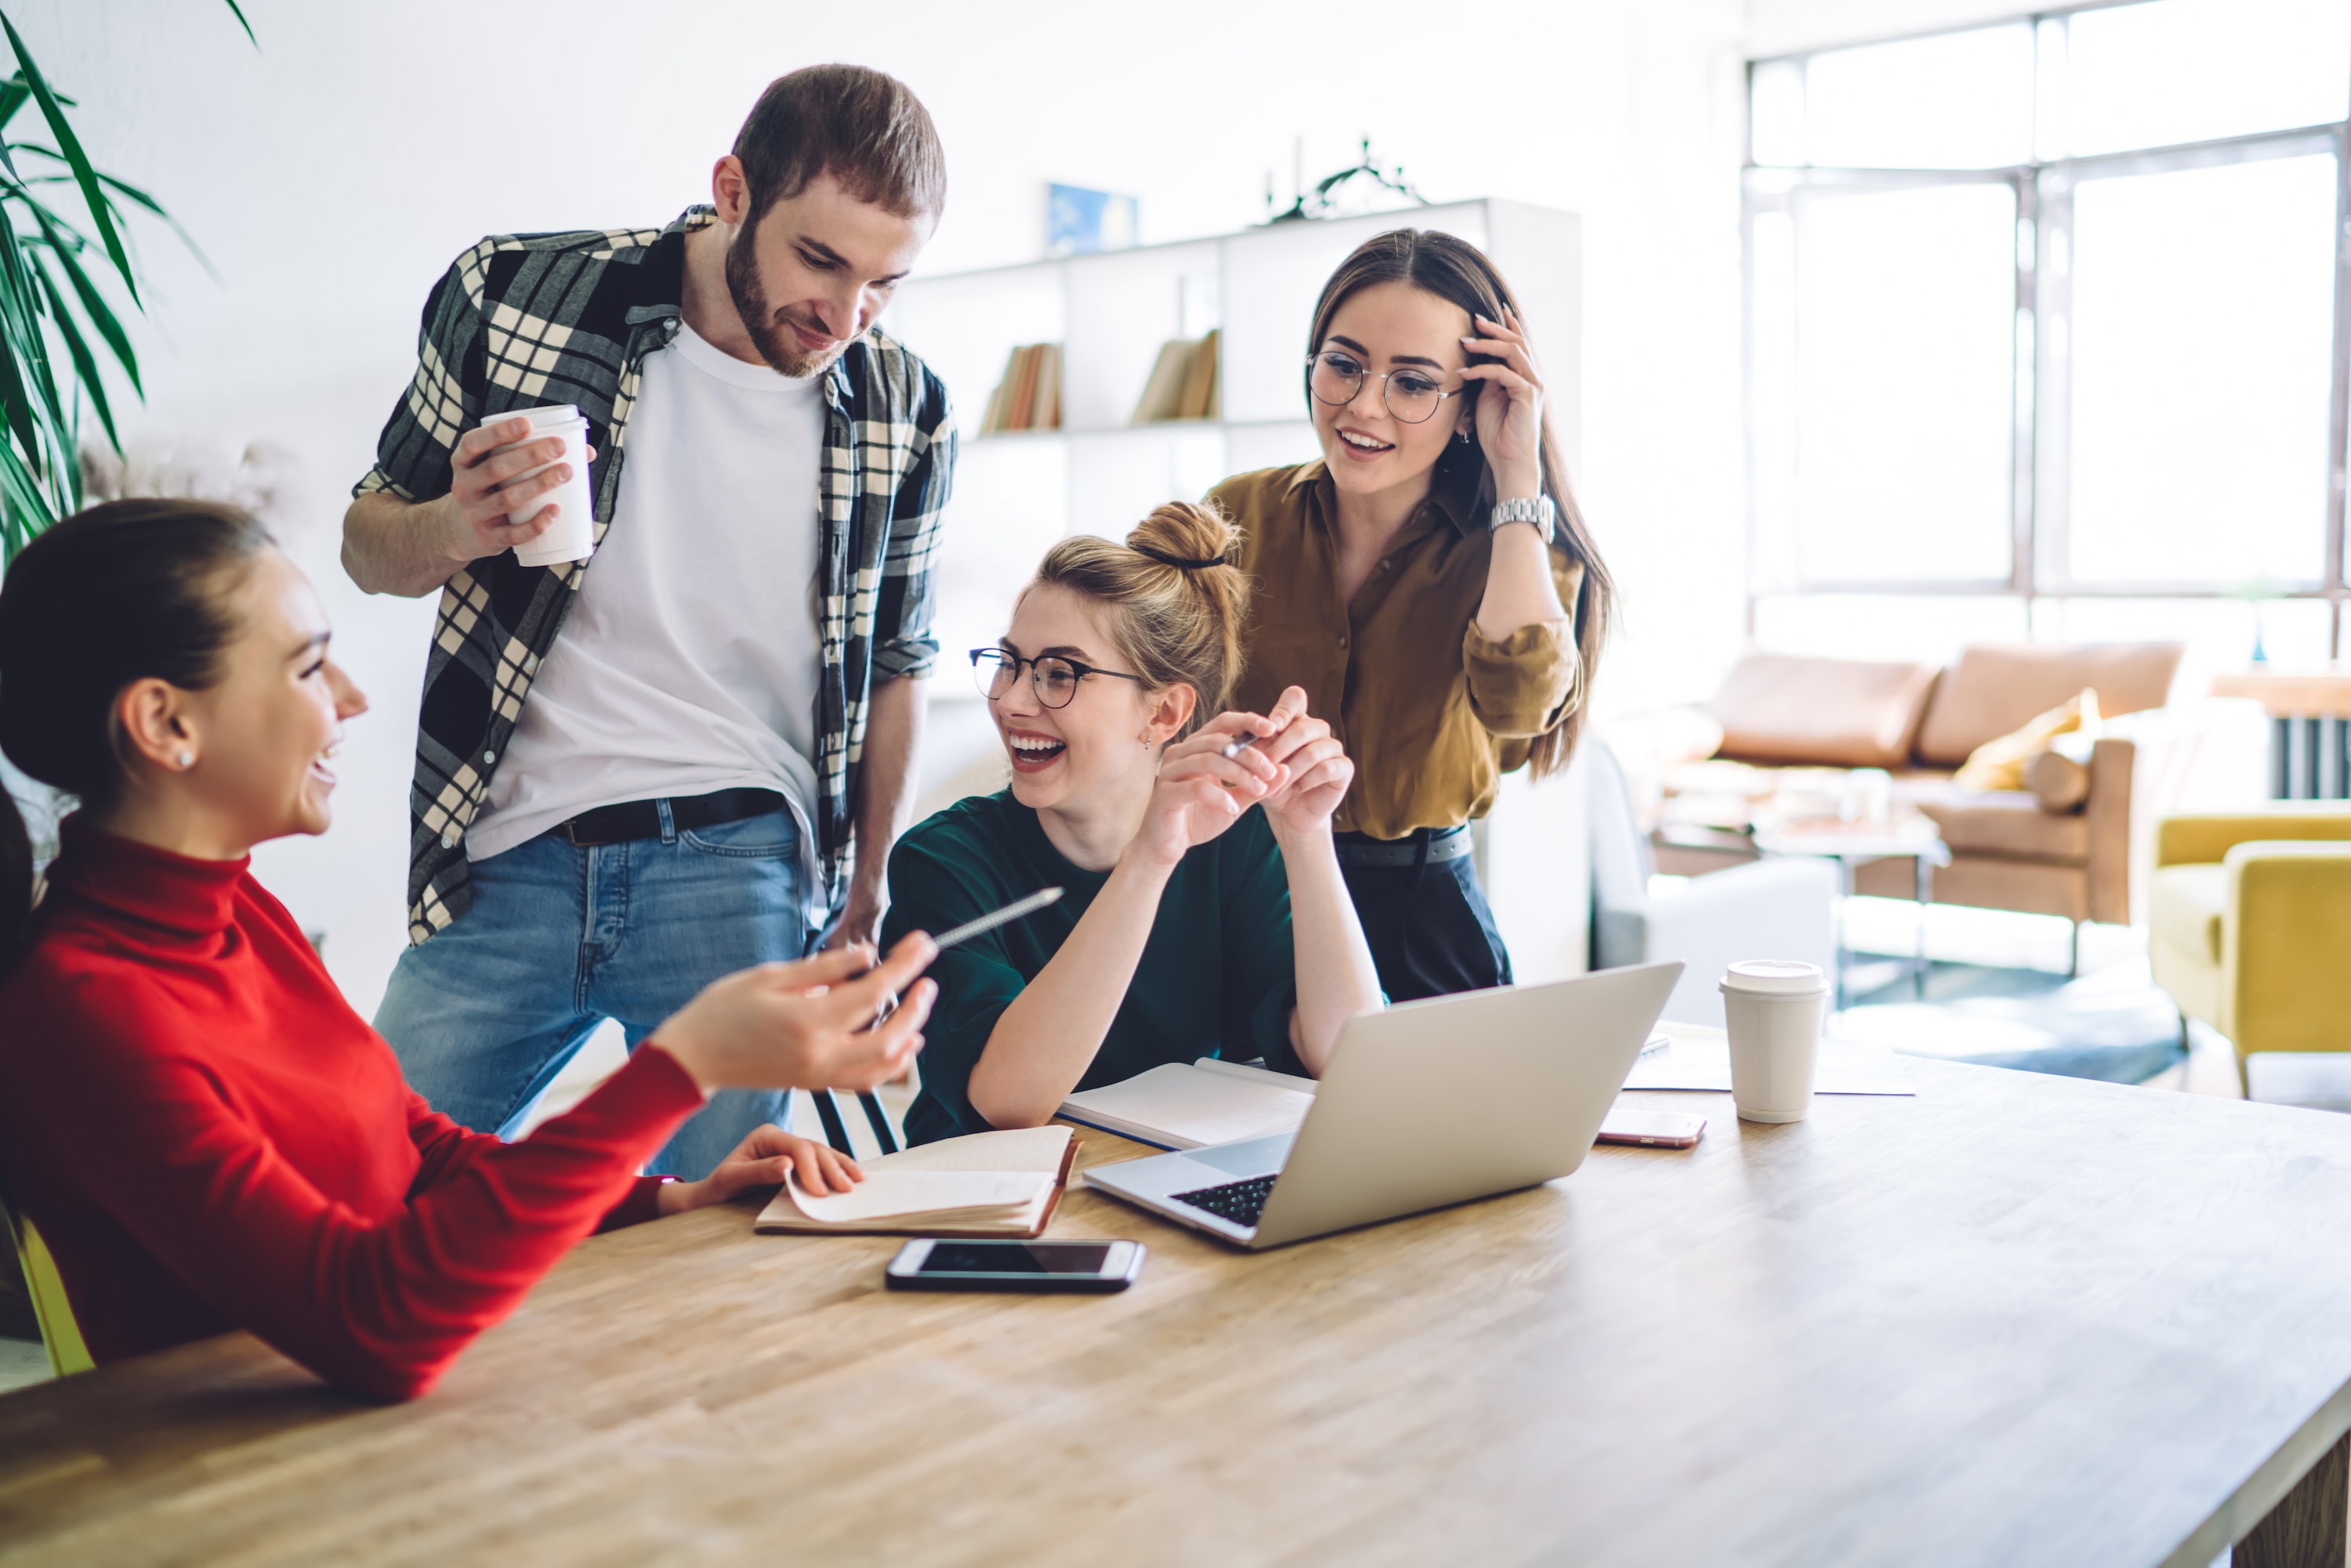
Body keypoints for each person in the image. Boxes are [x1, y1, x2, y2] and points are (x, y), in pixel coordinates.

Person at [0, 501, 935, 1400]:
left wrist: (664, 1200)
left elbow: (420, 1157)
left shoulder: (239, 909)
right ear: (166, 724)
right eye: (307, 667)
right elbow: (374, 1318)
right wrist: (684, 1067)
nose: (353, 699)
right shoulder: (84, 1010)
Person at [342, 66, 955, 1179]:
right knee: (363, 1178)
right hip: (509, 853)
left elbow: (899, 662)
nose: (845, 315)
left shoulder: (906, 404)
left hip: (741, 865)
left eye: (885, 284)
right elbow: (368, 542)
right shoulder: (516, 294)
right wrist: (456, 526)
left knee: (712, 1244)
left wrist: (866, 888)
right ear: (732, 192)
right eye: (821, 260)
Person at [881, 503, 1384, 1145]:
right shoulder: (944, 861)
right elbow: (1008, 1101)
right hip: (989, 1209)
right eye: (1008, 662)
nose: (1010, 700)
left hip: (1167, 1190)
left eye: (1060, 674)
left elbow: (1347, 1059)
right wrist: (1149, 858)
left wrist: (1307, 836)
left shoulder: (1236, 842)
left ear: (1165, 713)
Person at [1204, 229, 1614, 1003]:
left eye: (1414, 383)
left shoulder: (1516, 544)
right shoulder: (1235, 515)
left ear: (1472, 404)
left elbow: (1521, 707)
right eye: (1344, 365)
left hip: (1422, 922)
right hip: (1243, 900)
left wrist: (1516, 472)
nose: (1364, 407)